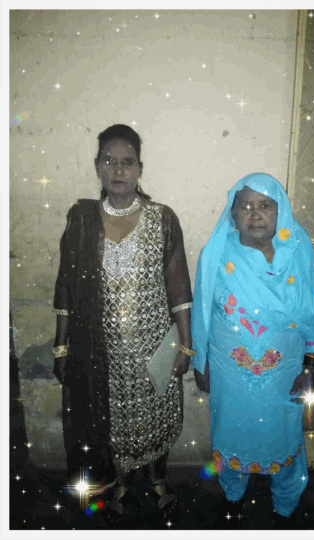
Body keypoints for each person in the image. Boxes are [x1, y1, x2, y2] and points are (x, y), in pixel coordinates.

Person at [52, 124, 193, 522]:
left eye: (127, 162)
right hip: (101, 354)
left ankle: (158, 480)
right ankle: (121, 481)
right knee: (113, 425)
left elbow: (179, 287)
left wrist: (185, 345)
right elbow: (66, 287)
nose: (118, 170)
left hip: (156, 348)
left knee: (156, 418)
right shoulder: (82, 221)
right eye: (109, 161)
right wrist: (61, 348)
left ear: (140, 168)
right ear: (97, 166)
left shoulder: (163, 219)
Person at [191, 172, 314, 528]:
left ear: (280, 210)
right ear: (233, 212)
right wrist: (200, 362)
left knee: (284, 438)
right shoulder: (216, 254)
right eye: (246, 206)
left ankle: (285, 507)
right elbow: (202, 313)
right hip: (230, 376)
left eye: (265, 205)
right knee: (231, 433)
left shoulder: (299, 252)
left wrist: (311, 365)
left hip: (284, 375)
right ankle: (233, 497)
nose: (255, 214)